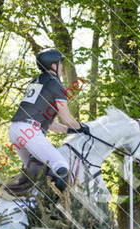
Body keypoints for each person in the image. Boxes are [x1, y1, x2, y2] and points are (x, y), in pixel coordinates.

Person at [9, 48, 90, 192]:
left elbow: (48, 123)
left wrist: (69, 130)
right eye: (60, 63)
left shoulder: (36, 82)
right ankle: (56, 205)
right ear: (53, 65)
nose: (62, 67)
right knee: (62, 168)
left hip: (16, 130)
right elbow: (66, 118)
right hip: (30, 130)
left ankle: (30, 200)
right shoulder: (55, 83)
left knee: (36, 172)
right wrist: (81, 127)